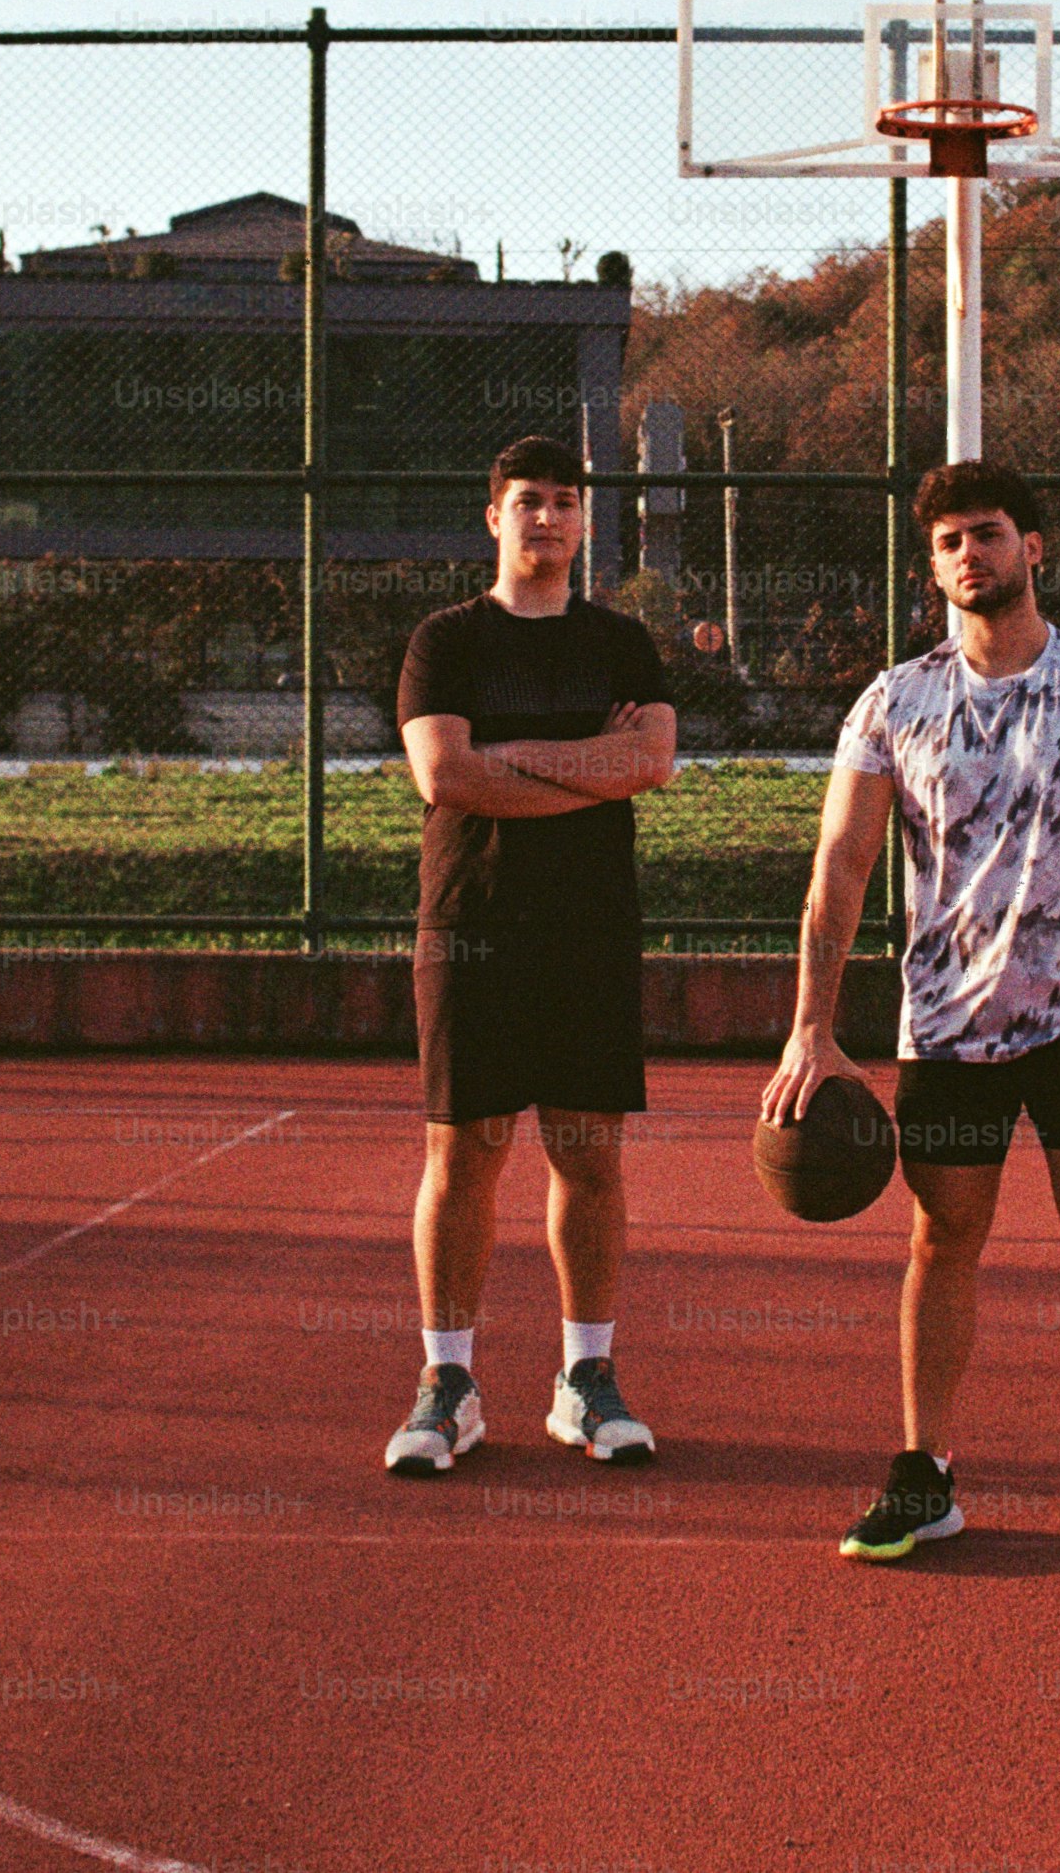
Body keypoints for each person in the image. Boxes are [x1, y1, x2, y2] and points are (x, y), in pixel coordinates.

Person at [761, 462, 1060, 1573]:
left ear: (1033, 548)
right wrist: (809, 1024)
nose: (973, 555)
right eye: (952, 541)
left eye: (991, 535)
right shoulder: (893, 700)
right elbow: (841, 862)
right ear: (932, 566)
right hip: (948, 1026)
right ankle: (925, 1472)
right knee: (941, 1236)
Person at [384, 436, 677, 1475]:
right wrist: (588, 768)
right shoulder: (444, 641)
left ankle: (583, 1382)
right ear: (492, 517)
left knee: (587, 1153)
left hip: (588, 926)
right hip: (473, 923)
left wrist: (517, 757)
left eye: (562, 503)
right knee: (463, 1151)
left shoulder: (621, 642)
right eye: (526, 502)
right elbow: (445, 779)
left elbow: (653, 761)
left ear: (583, 522)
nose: (545, 519)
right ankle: (446, 1385)